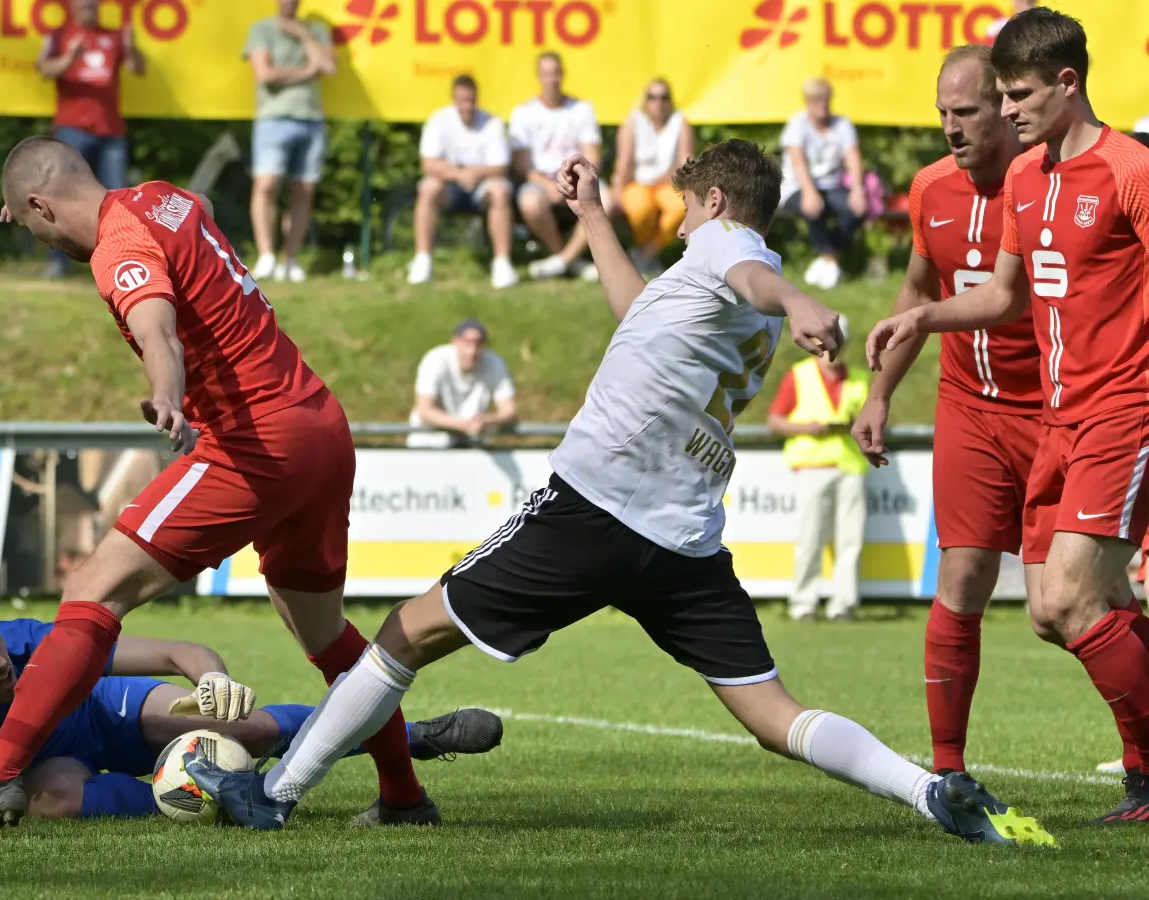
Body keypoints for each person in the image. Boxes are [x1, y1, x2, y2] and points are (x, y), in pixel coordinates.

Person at [185, 139, 1053, 848]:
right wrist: (594, 214)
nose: (679, 225)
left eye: (684, 207)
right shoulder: (718, 287)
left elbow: (756, 278)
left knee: (403, 635)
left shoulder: (732, 252)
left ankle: (277, 794)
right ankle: (929, 792)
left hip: (594, 508)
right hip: (682, 542)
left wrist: (797, 301)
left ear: (715, 200)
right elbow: (639, 310)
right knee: (770, 713)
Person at [0, 137, 442, 839]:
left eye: (33, 228)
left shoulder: (116, 247)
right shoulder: (161, 199)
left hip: (256, 440)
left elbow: (158, 330)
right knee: (326, 633)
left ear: (41, 204)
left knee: (91, 592)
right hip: (320, 426)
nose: (39, 241)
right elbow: (201, 209)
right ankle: (403, 795)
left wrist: (166, 395)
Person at [867, 7, 1149, 824]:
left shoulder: (1131, 169)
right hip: (1061, 421)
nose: (1008, 109)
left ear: (1068, 83)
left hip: (1122, 412)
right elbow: (1004, 295)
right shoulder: (1029, 178)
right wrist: (919, 319)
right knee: (1055, 615)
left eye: (1018, 95)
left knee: (1068, 601)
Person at [0, 599, 500, 829]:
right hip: (55, 767)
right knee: (54, 800)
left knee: (239, 729)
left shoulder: (37, 645)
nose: (2, 663)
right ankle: (215, 793)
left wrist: (214, 680)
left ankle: (408, 734)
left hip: (103, 715)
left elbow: (182, 649)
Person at [767, 327, 869, 622]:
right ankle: (804, 604)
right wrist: (807, 428)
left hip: (850, 466)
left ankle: (844, 604)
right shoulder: (799, 375)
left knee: (852, 541)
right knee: (810, 538)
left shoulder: (860, 379)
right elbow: (775, 420)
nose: (831, 349)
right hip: (812, 466)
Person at [36, 0, 144, 280]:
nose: (89, 6)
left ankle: (120, 265)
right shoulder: (59, 35)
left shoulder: (113, 35)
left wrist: (132, 47)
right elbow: (44, 70)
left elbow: (138, 69)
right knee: (61, 196)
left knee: (117, 202)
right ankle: (58, 262)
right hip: (72, 128)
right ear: (72, 5)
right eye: (84, 3)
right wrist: (70, 59)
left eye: (94, 3)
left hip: (110, 131)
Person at [243, 0, 334, 283]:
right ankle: (266, 255)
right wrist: (307, 72)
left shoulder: (316, 30)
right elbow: (265, 75)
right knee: (266, 185)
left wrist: (302, 35)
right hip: (274, 118)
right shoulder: (261, 30)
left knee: (303, 190)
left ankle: (290, 259)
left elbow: (328, 66)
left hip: (312, 119)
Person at [509, 51, 618, 281]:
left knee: (609, 200)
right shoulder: (523, 112)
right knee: (529, 202)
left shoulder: (582, 109)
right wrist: (549, 185)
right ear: (539, 76)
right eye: (547, 74)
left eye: (556, 73)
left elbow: (592, 157)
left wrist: (574, 181)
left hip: (577, 177)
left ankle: (562, 261)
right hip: (540, 181)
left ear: (563, 75)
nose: (552, 79)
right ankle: (570, 260)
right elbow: (522, 166)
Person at [409, 74, 516, 290]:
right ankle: (422, 260)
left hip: (483, 186)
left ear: (476, 98)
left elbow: (501, 166)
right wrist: (459, 175)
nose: (467, 105)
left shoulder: (492, 123)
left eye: (470, 99)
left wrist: (472, 174)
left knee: (500, 192)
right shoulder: (438, 120)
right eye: (462, 100)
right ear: (454, 98)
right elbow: (428, 164)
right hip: (449, 187)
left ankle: (502, 263)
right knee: (428, 188)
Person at [780, 77, 866, 290]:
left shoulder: (842, 124)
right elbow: (797, 162)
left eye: (826, 99)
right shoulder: (796, 124)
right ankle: (829, 260)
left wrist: (857, 189)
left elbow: (853, 157)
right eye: (818, 100)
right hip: (796, 185)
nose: (824, 105)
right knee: (812, 207)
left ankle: (827, 259)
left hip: (830, 185)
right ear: (808, 102)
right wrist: (809, 192)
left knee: (854, 208)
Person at [613, 78, 694, 277]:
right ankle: (648, 257)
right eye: (653, 97)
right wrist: (617, 190)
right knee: (641, 210)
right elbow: (624, 161)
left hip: (669, 184)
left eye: (663, 97)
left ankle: (644, 255)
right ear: (645, 100)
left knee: (680, 209)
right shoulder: (632, 121)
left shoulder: (680, 121)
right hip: (637, 184)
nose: (658, 102)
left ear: (670, 101)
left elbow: (687, 161)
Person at [406, 318, 516, 449]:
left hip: (471, 441)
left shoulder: (495, 363)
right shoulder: (435, 360)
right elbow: (424, 410)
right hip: (429, 442)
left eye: (478, 343)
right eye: (467, 342)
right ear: (455, 341)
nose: (472, 350)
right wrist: (464, 425)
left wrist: (488, 420)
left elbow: (509, 411)